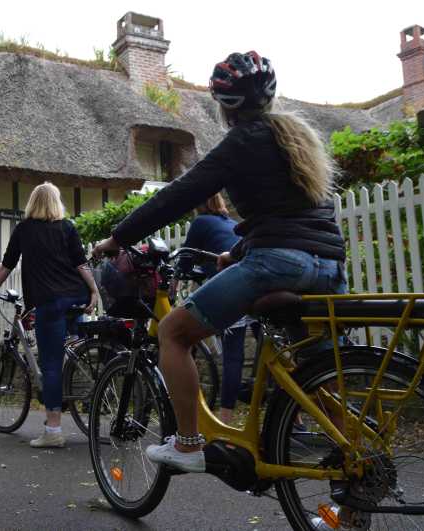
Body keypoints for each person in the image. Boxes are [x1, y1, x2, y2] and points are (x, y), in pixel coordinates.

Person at [93, 51, 347, 474]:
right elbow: (290, 216)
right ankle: (357, 478)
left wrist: (116, 238)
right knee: (316, 373)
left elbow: (177, 195)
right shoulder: (295, 137)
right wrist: (240, 251)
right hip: (328, 266)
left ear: (224, 105)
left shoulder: (242, 141)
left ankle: (189, 444)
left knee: (174, 333)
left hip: (278, 263)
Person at [0, 182, 100, 448]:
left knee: (50, 364)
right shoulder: (67, 227)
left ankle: (54, 430)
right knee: (75, 347)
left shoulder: (24, 229)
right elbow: (81, 263)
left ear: (33, 203)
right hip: (76, 296)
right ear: (57, 203)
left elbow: (7, 264)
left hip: (49, 301)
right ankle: (83, 381)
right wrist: (93, 292)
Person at [183, 194, 262, 425]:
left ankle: (225, 419)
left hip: (233, 286)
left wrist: (179, 276)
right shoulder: (232, 225)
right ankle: (295, 417)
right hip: (256, 283)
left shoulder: (200, 223)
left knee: (233, 356)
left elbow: (185, 260)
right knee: (269, 352)